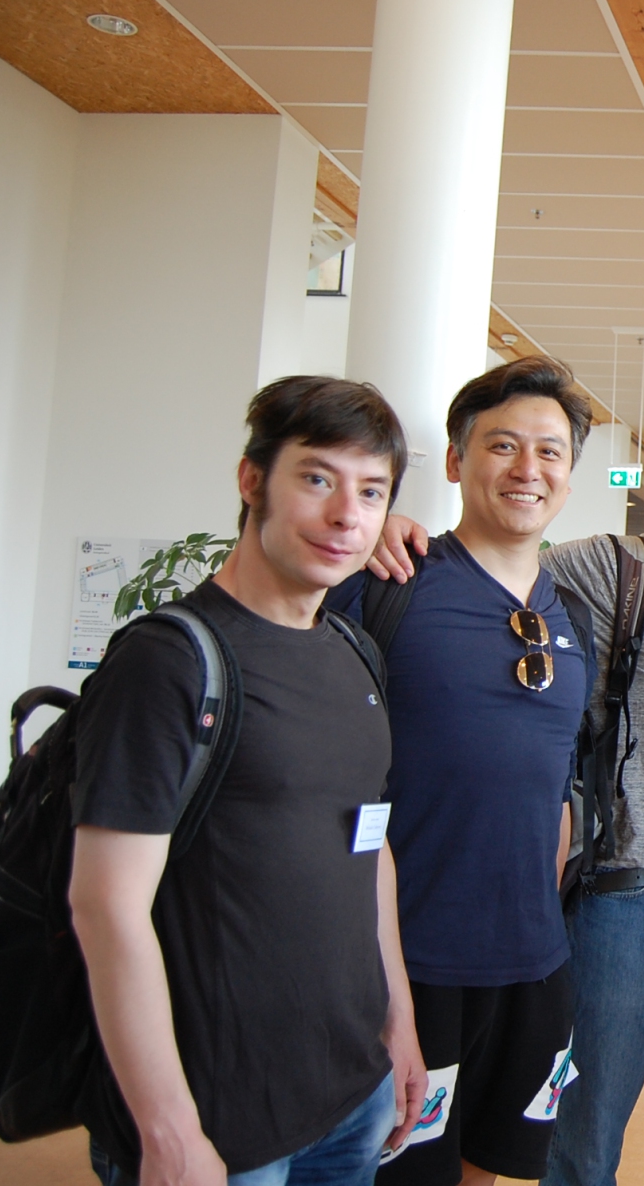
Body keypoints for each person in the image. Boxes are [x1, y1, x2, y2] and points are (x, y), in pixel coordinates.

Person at [368, 370, 644, 1186]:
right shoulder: (601, 567)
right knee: (579, 1146)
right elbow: (490, 548)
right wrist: (380, 528)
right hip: (621, 894)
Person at [69, 377, 428, 1185]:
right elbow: (105, 906)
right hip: (218, 1117)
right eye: (317, 478)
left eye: (372, 491)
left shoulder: (353, 652)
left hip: (350, 1094)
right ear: (251, 480)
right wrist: (168, 1131)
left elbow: (367, 848)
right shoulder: (170, 661)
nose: (346, 515)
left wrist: (399, 1024)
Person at [327, 357, 596, 1186]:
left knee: (497, 1171)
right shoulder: (386, 586)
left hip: (534, 967)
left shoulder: (573, 616)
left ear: (570, 473)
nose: (527, 469)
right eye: (502, 445)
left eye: (550, 452)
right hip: (406, 970)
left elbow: (557, 781)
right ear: (454, 460)